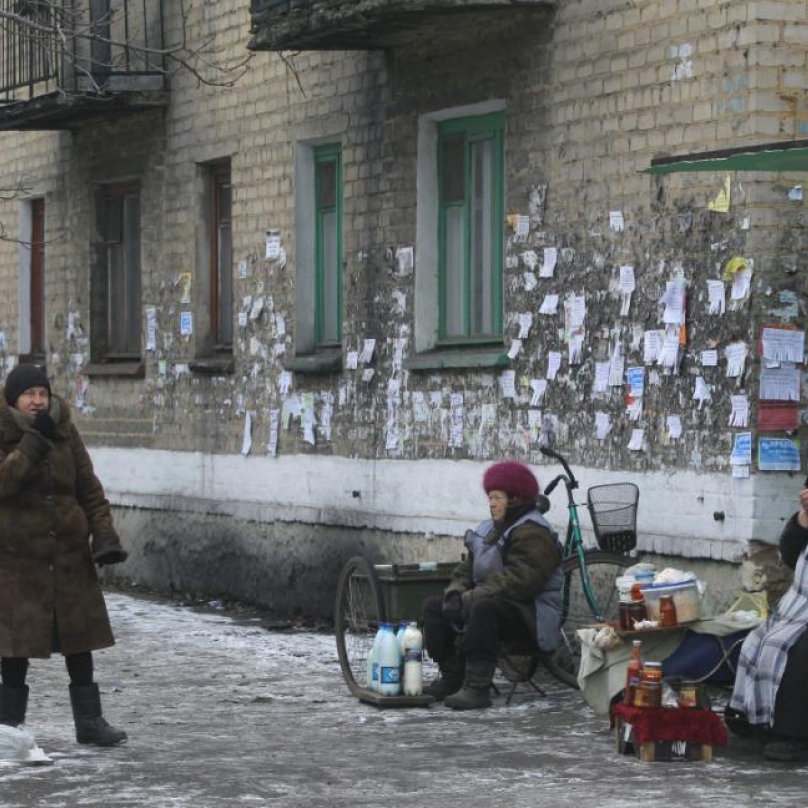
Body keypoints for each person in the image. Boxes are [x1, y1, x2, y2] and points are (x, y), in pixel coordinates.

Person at [0, 364, 129, 746]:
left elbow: (88, 487)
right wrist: (32, 443)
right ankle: (8, 727)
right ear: (13, 399)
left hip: (69, 556)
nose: (38, 401)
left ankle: (90, 722)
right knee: (14, 646)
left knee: (79, 639)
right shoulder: (7, 433)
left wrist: (103, 535)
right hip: (17, 560)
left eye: (43, 393)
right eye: (29, 394)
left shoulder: (65, 431)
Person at [422, 460, 563, 709]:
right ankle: (453, 677)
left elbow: (520, 581)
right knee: (435, 607)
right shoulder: (489, 528)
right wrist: (456, 593)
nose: (492, 504)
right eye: (490, 498)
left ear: (516, 498)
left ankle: (477, 688)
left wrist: (473, 597)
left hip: (529, 615)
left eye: (497, 497)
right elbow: (467, 568)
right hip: (491, 602)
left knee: (484, 609)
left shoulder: (533, 532)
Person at [729, 486, 808, 762]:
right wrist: (803, 519)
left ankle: (792, 733)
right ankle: (754, 715)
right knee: (759, 638)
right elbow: (789, 555)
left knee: (795, 648)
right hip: (799, 604)